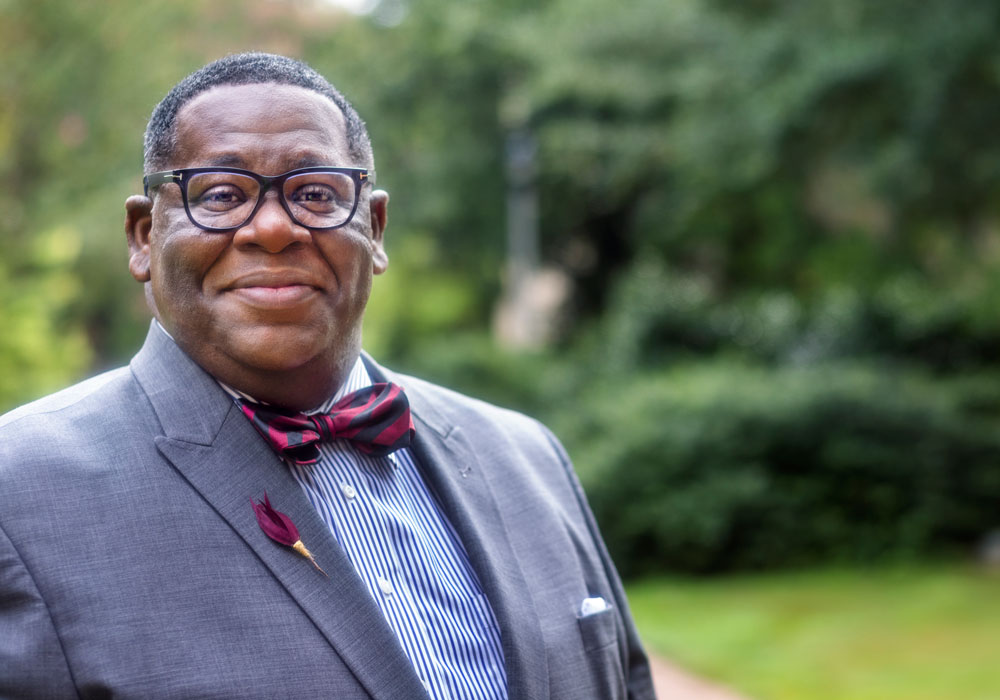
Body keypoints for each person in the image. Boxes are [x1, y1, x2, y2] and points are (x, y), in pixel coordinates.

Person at [0, 53, 656, 700]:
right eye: (221, 194)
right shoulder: (18, 493)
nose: (275, 228)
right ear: (144, 236)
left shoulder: (527, 457)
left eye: (316, 193)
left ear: (373, 228)